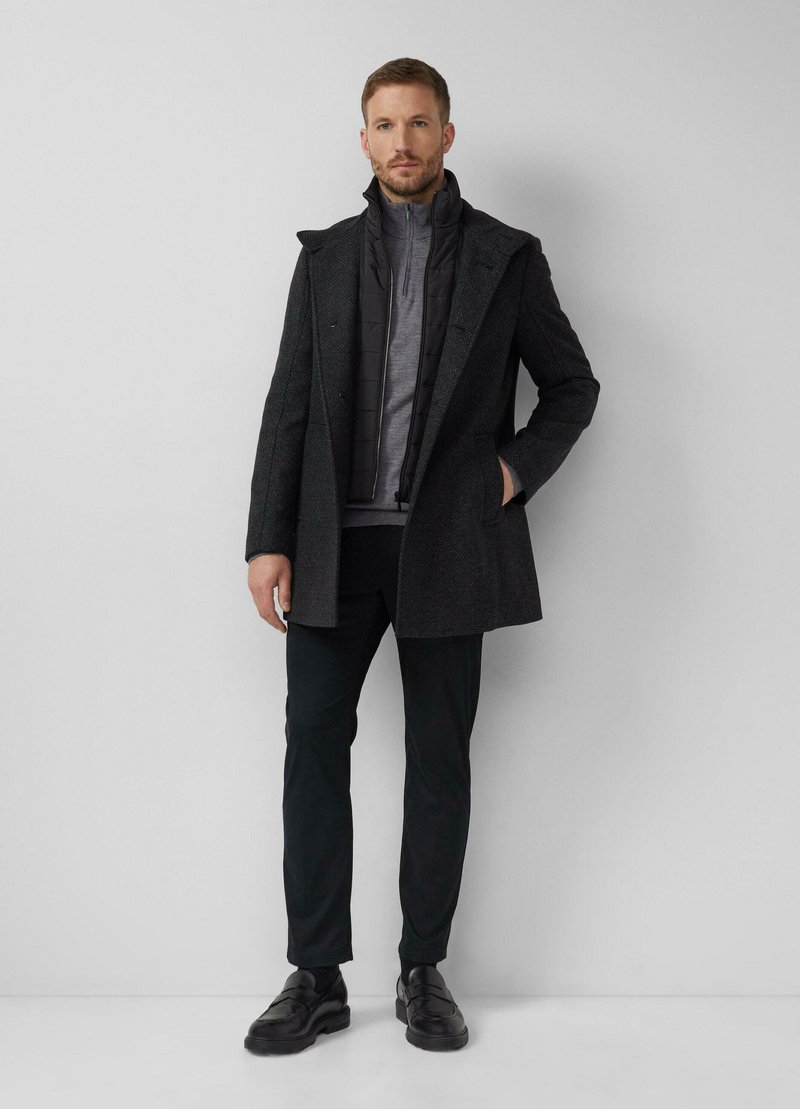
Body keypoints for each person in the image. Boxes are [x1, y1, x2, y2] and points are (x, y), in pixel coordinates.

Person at [243, 57, 600, 1055]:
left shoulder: (505, 256)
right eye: (383, 124)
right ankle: (315, 974)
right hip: (330, 547)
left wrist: (509, 474)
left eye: (418, 122)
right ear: (363, 138)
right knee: (313, 745)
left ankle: (421, 970)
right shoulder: (324, 258)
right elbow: (288, 403)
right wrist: (266, 537)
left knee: (439, 758)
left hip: (448, 544)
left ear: (447, 133)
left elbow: (571, 386)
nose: (400, 142)